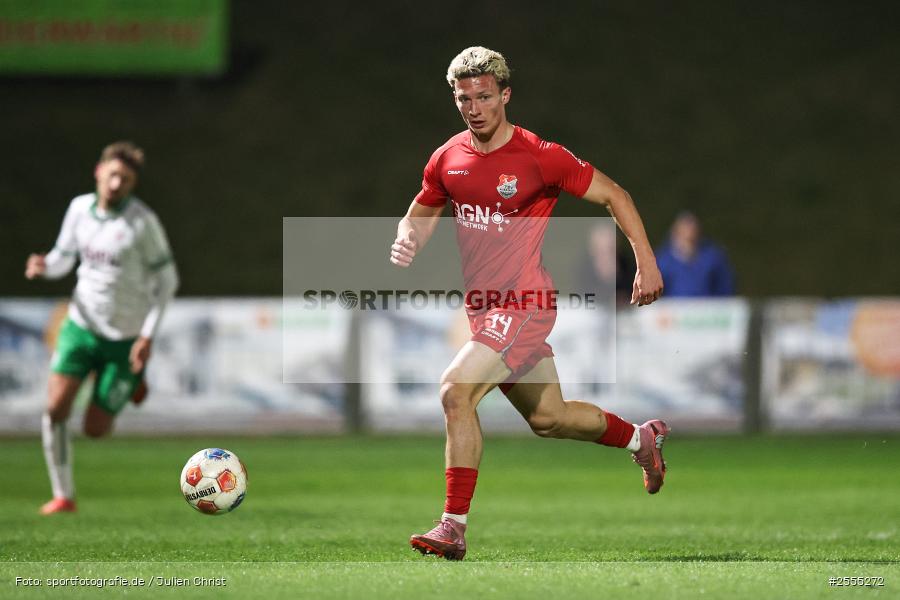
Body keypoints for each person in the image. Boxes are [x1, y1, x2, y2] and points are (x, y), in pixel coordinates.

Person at [389, 47, 667, 561]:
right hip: (484, 309)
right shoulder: (448, 157)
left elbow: (615, 195)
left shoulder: (540, 156)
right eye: (464, 98)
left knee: (455, 392)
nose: (475, 107)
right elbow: (421, 209)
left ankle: (453, 526)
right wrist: (408, 235)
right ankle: (641, 440)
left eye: (485, 97)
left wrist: (646, 263)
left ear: (505, 95)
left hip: (523, 304)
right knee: (551, 419)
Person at [25, 141, 179, 515]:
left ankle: (132, 382)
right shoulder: (79, 209)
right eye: (112, 175)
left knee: (95, 429)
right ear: (99, 171)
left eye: (124, 179)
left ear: (132, 184)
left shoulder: (142, 224)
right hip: (81, 325)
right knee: (55, 409)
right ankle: (64, 495)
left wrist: (146, 335)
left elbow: (169, 281)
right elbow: (65, 257)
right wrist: (46, 266)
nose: (115, 184)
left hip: (124, 340)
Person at [655, 211, 735, 296]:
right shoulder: (662, 260)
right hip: (673, 307)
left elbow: (725, 287)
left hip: (707, 307)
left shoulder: (713, 258)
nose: (689, 235)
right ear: (675, 233)